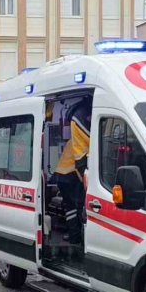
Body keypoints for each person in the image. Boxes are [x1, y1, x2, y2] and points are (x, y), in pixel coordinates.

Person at [52, 98, 92, 245]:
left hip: (63, 173)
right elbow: (80, 160)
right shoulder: (82, 133)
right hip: (69, 173)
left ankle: (73, 235)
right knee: (78, 205)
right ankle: (76, 238)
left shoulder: (79, 137)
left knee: (71, 208)